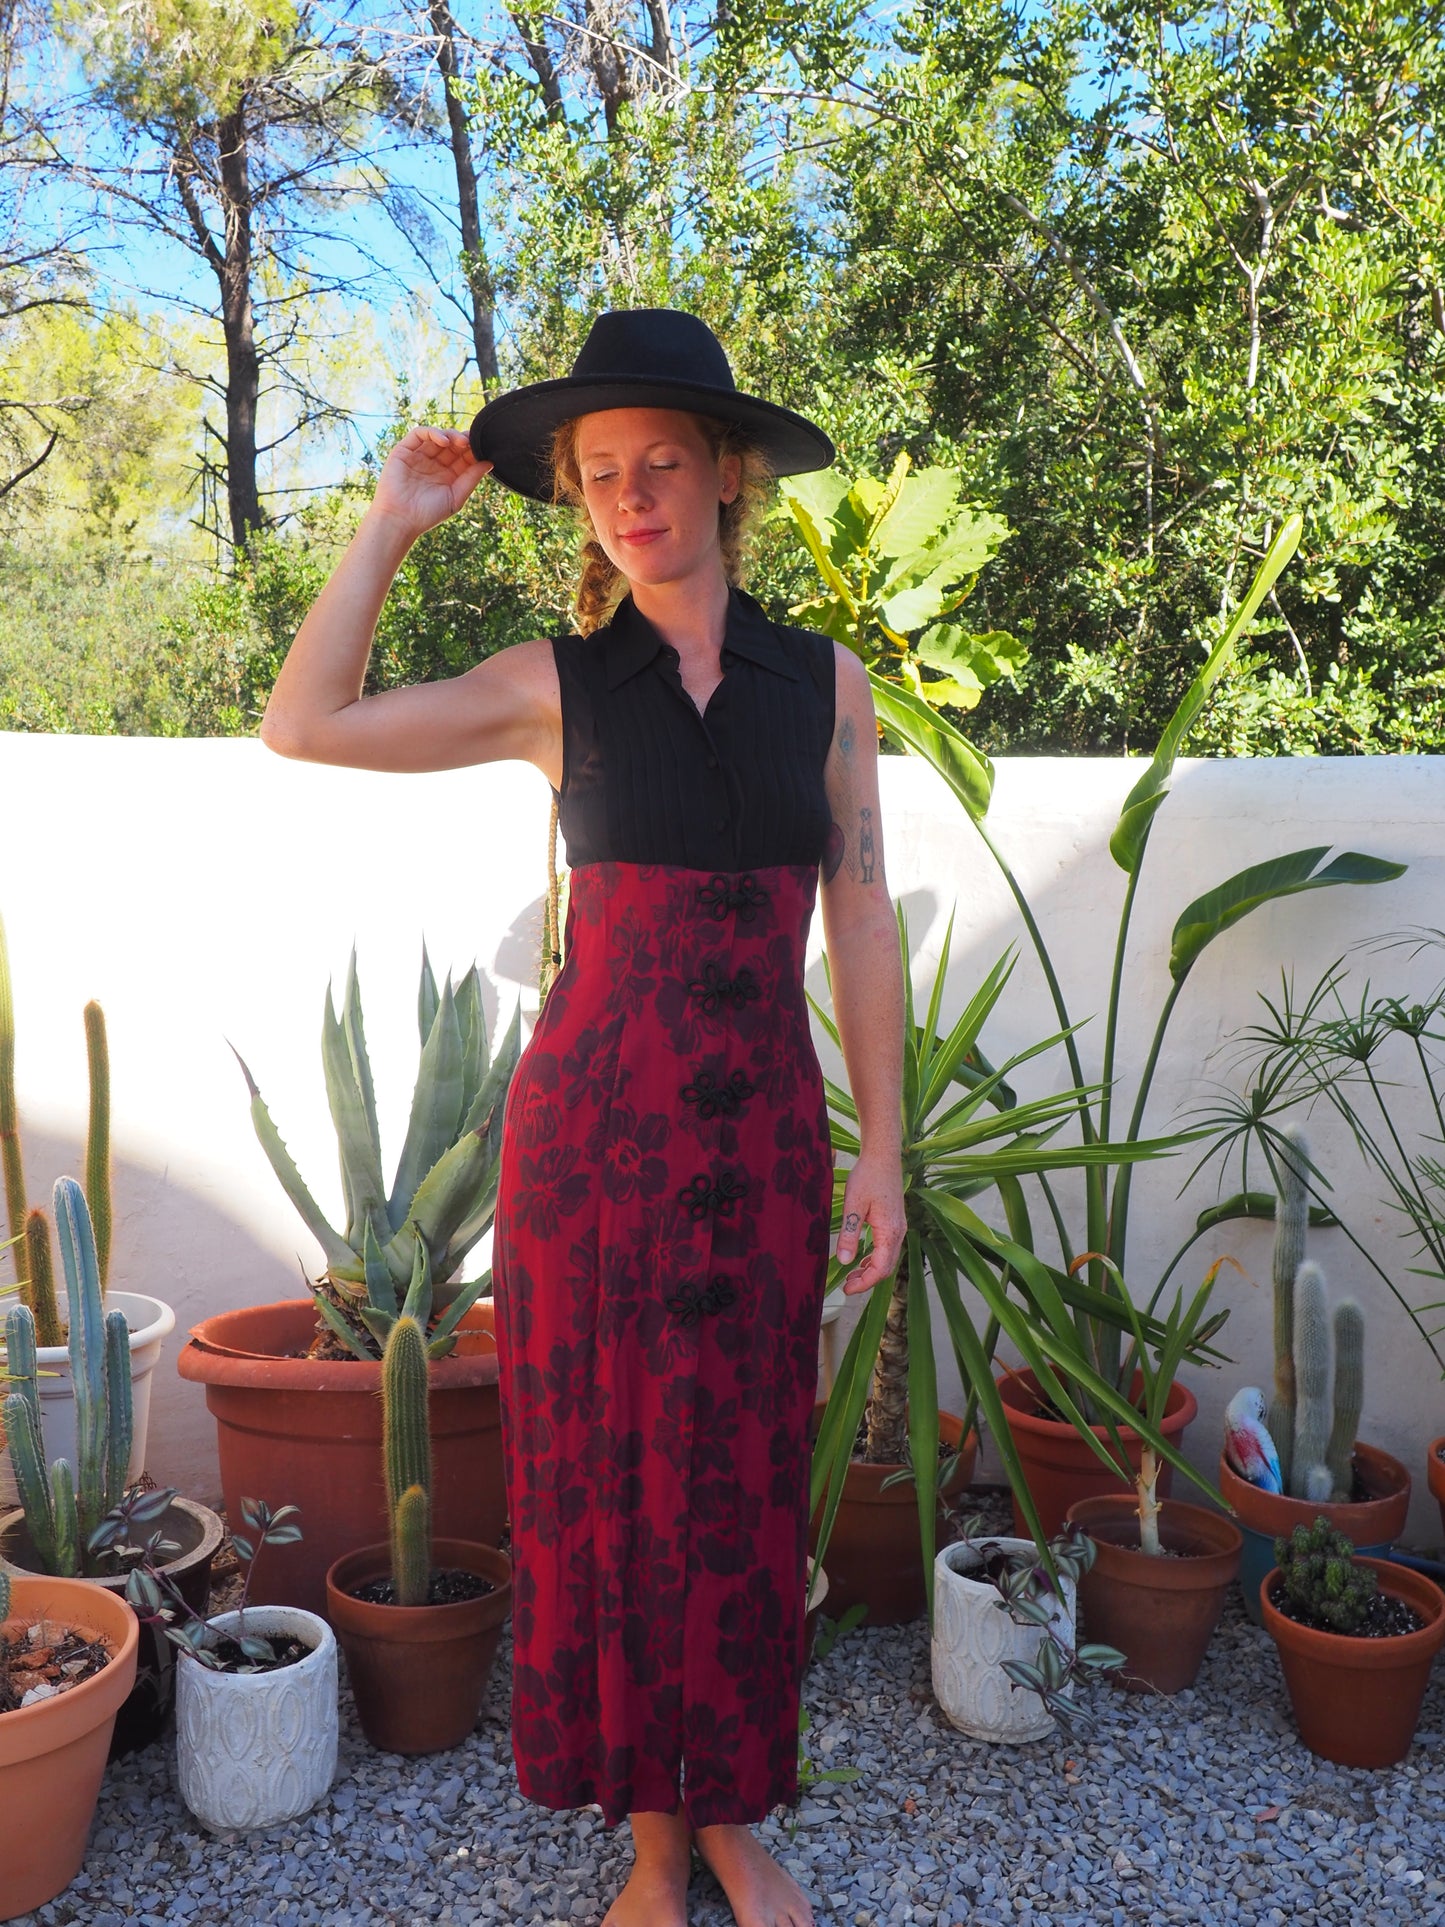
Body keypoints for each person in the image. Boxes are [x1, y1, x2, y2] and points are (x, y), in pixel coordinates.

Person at [260, 308, 905, 1927]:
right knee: (602, 1475)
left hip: (760, 1138)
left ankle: (739, 1813)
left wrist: (881, 1149)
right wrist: (393, 524)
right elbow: (306, 723)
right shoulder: (555, 686)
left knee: (746, 1475)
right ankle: (643, 1832)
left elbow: (865, 912)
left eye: (661, 463)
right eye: (601, 472)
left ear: (726, 475)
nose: (630, 495)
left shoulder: (825, 689)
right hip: (590, 1143)